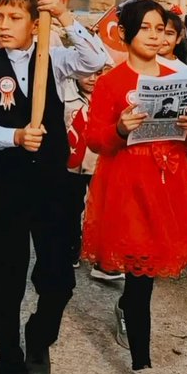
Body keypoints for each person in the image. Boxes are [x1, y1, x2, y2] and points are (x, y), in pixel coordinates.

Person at [0, 0, 108, 374]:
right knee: (7, 279)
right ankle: (9, 366)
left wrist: (66, 17)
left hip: (52, 185)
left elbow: (97, 59)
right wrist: (13, 135)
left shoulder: (56, 58)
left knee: (58, 278)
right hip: (5, 184)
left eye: (14, 18)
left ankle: (40, 338)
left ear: (35, 23)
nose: (4, 26)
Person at [81, 0, 187, 374]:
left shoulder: (179, 78)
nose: (154, 36)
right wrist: (119, 127)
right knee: (139, 276)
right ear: (127, 33)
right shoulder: (111, 83)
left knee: (146, 274)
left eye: (161, 29)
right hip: (126, 187)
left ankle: (127, 316)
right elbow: (95, 139)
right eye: (146, 28)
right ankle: (142, 366)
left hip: (167, 188)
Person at [63, 67, 123, 281]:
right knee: (71, 208)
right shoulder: (65, 92)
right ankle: (70, 249)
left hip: (99, 162)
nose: (92, 79)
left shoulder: (109, 95)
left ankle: (104, 261)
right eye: (86, 73)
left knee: (102, 210)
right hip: (71, 162)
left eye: (98, 73)